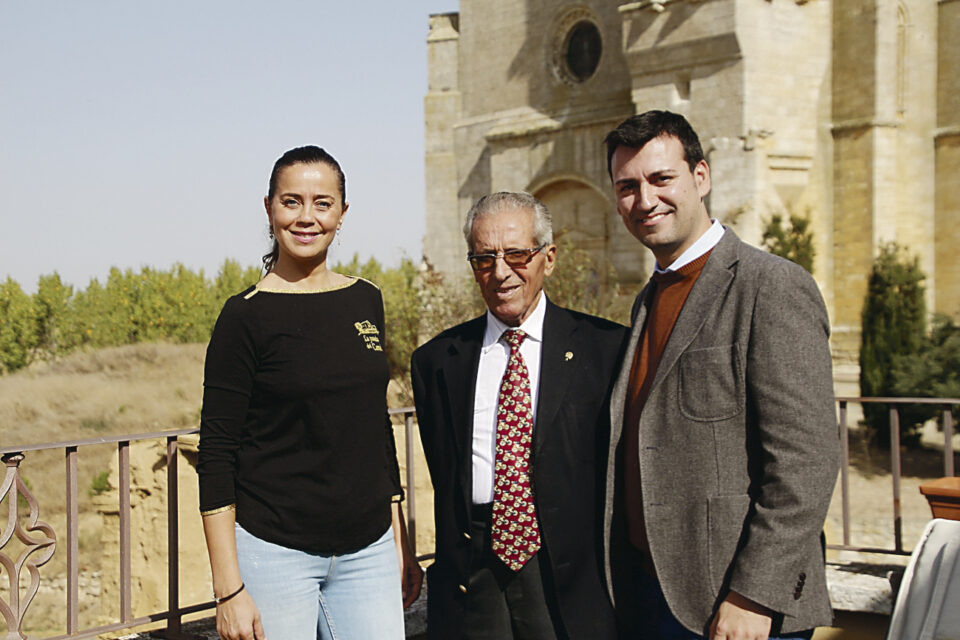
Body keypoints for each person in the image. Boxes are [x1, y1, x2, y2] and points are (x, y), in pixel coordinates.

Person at [601, 110, 840, 640]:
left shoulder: (769, 287)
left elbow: (808, 461)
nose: (644, 201)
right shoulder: (648, 300)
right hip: (651, 595)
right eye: (627, 187)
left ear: (701, 177)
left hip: (734, 606)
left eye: (662, 179)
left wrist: (755, 594)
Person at [197, 146, 422, 640]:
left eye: (322, 203)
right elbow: (216, 455)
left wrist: (399, 539)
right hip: (275, 552)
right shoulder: (245, 317)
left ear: (342, 214)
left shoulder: (366, 298)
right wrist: (229, 591)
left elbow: (374, 428)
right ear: (269, 208)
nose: (307, 217)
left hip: (370, 550)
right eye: (291, 201)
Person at [411, 192, 626, 640]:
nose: (501, 271)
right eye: (485, 258)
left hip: (569, 572)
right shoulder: (436, 362)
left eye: (517, 254)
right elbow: (443, 469)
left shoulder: (606, 351)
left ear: (548, 258)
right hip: (473, 576)